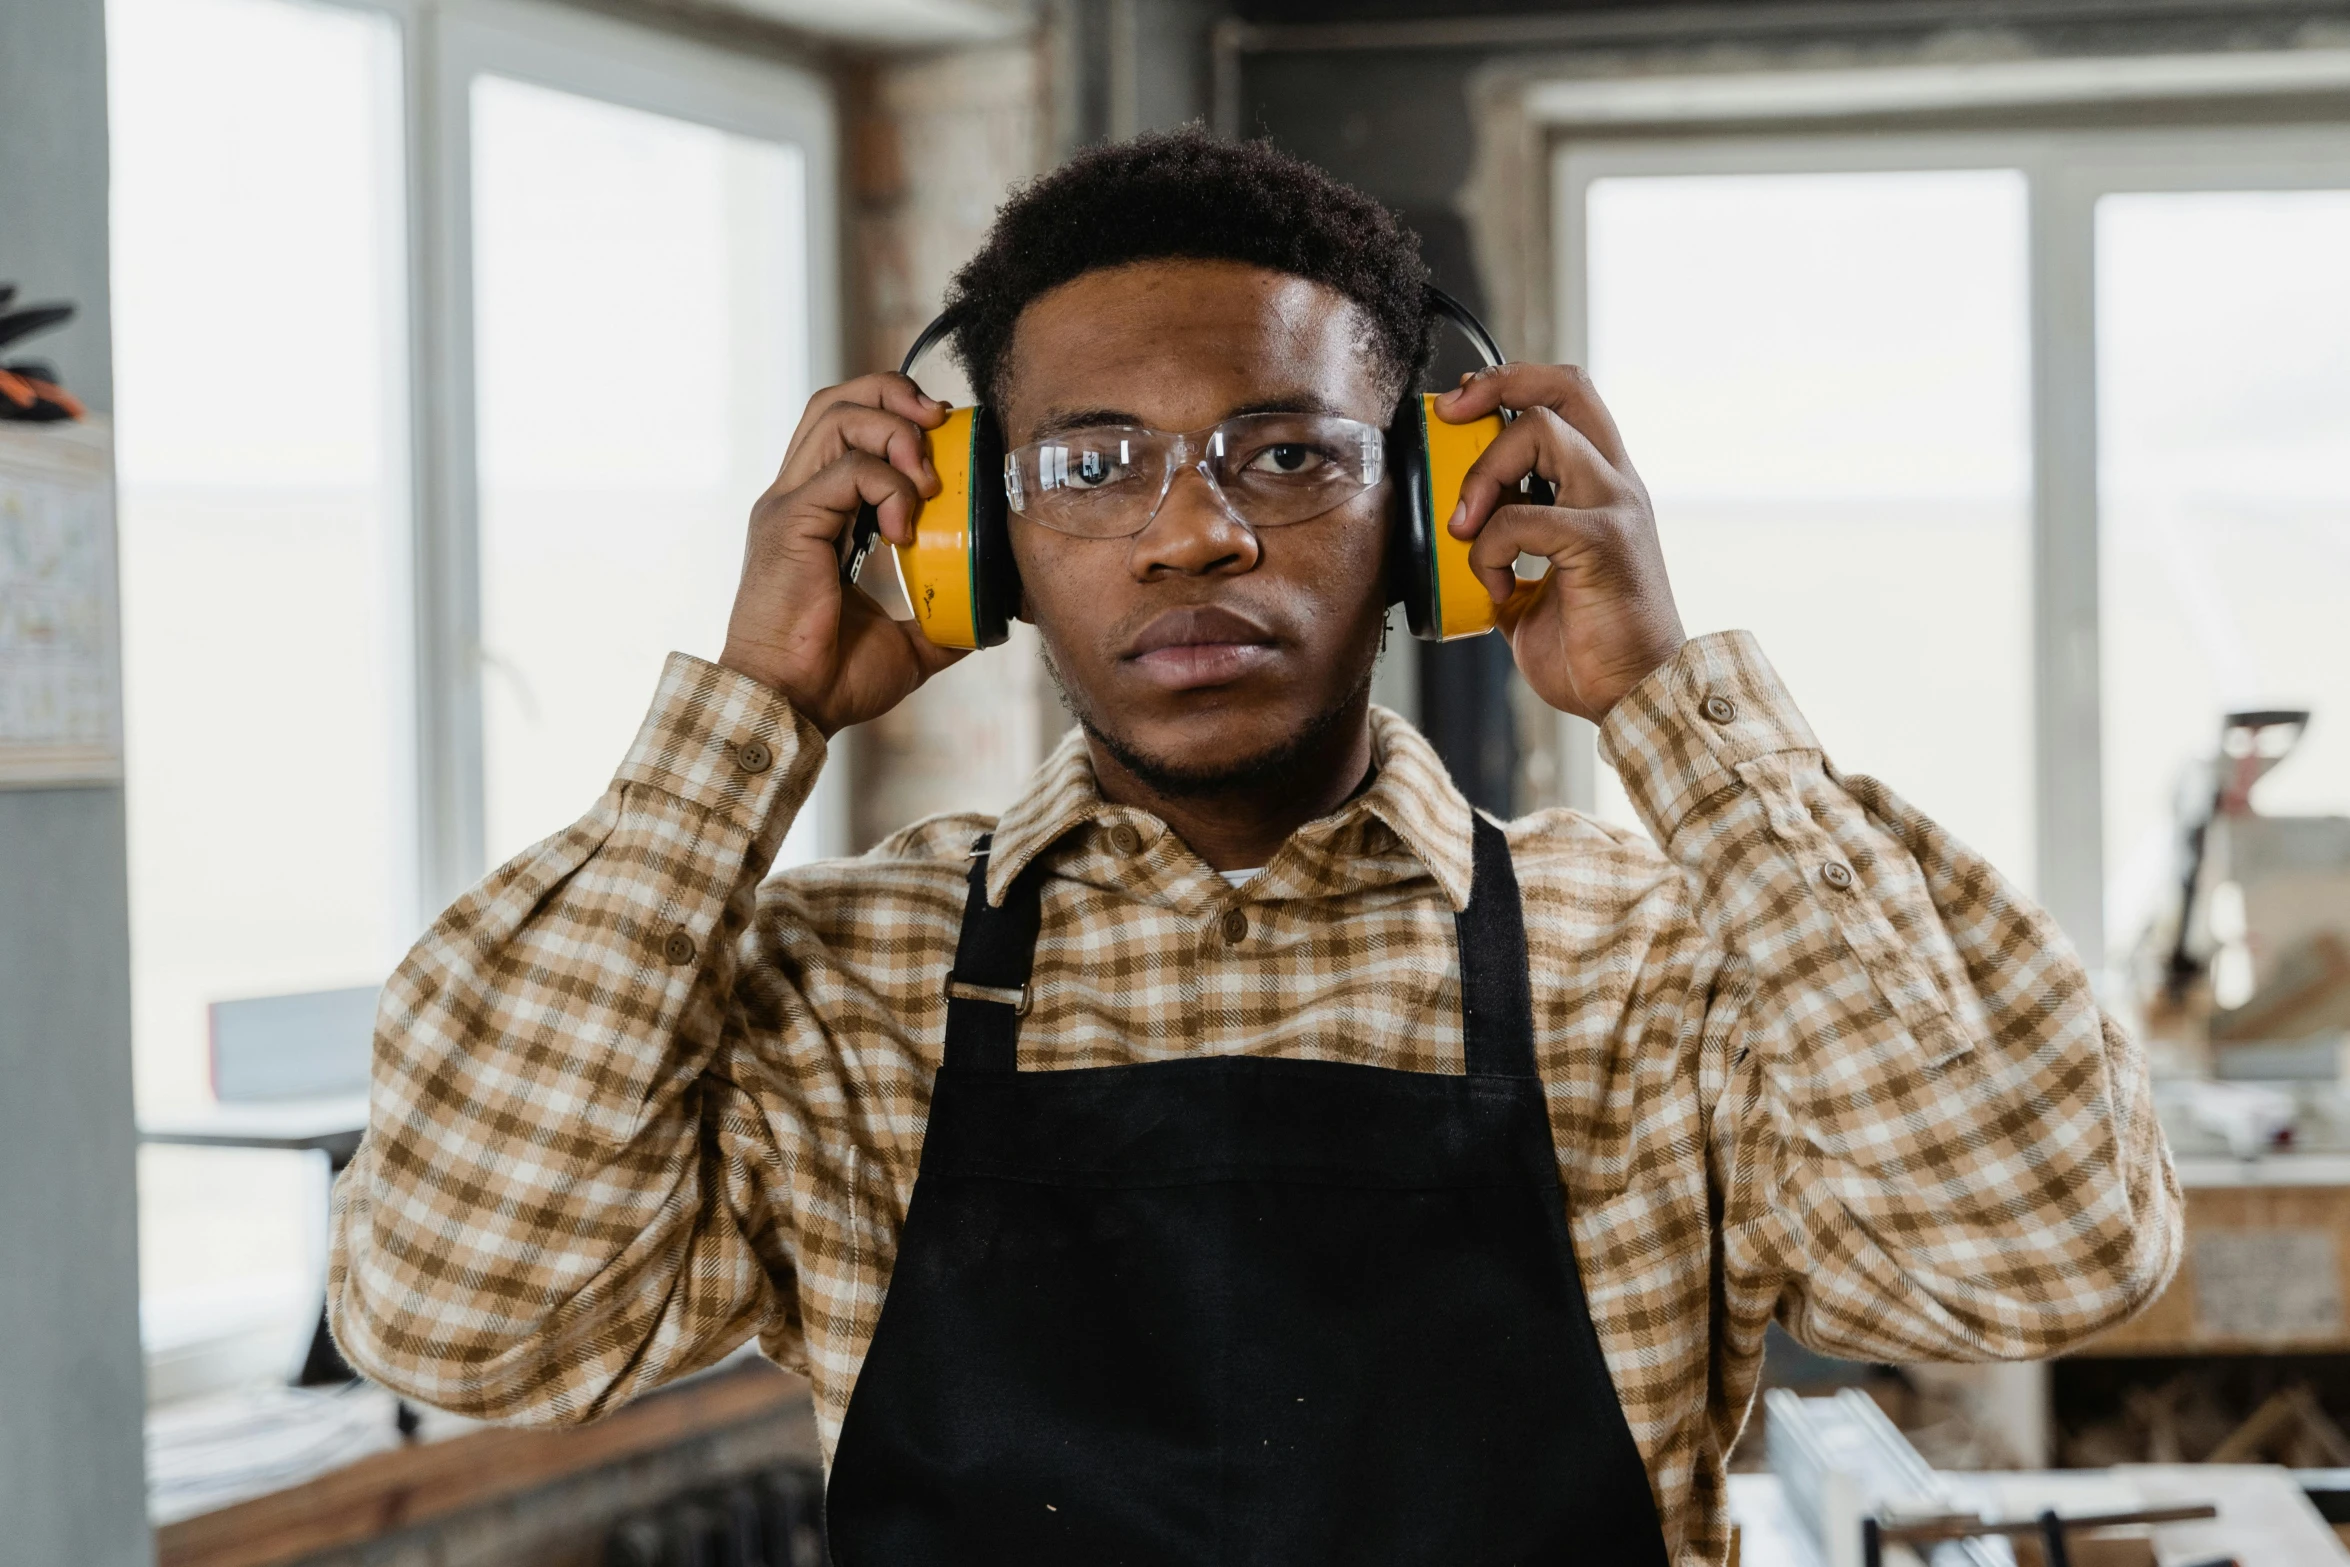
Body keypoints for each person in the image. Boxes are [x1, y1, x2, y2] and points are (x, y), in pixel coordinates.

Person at [329, 130, 2179, 1563]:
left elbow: (2041, 1257)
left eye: (1287, 453)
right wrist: (751, 716)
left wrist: (1670, 701)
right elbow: (465, 1316)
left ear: (1432, 523)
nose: (1188, 533)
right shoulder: (845, 986)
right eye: (1090, 463)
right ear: (976, 533)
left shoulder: (1654, 961)